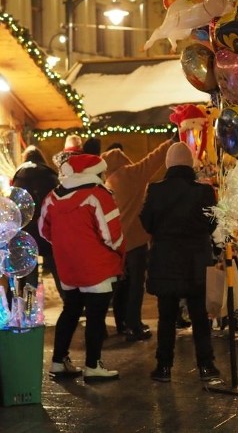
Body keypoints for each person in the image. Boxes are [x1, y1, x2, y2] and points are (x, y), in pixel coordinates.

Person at [39, 153, 124, 381]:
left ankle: (58, 361)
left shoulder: (53, 197)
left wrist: (66, 246)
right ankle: (93, 365)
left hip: (68, 265)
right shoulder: (98, 195)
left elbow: (43, 229)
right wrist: (118, 252)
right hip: (97, 265)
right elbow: (112, 235)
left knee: (71, 310)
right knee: (96, 316)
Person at [140, 142, 220, 383]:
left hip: (166, 262)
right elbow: (212, 224)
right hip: (195, 262)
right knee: (199, 316)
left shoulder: (155, 190)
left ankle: (163, 367)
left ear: (168, 164)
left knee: (166, 317)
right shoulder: (203, 191)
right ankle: (206, 366)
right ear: (190, 163)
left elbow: (147, 223)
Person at [103, 139, 173, 341]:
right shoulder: (131, 174)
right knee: (136, 284)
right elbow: (155, 158)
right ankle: (134, 324)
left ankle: (121, 322)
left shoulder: (109, 182)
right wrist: (172, 140)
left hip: (116, 241)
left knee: (120, 284)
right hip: (135, 240)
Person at [11, 145, 60, 291]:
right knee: (56, 267)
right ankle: (68, 300)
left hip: (26, 230)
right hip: (47, 228)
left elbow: (14, 205)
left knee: (29, 271)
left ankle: (28, 306)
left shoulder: (18, 177)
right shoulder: (50, 175)